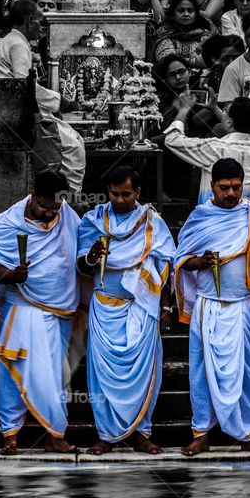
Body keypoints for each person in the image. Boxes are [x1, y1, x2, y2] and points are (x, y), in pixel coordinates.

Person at [175, 158, 250, 456]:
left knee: (249, 373)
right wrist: (202, 262)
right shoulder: (199, 217)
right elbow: (181, 260)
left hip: (244, 307)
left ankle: (248, 435)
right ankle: (201, 434)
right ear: (213, 187)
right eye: (224, 188)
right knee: (201, 373)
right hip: (208, 307)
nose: (231, 193)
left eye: (236, 187)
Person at [77, 166, 176, 455]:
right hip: (104, 310)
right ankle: (106, 435)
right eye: (114, 193)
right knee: (102, 376)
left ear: (138, 193)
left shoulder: (152, 222)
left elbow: (165, 263)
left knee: (143, 374)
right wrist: (91, 257)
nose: (120, 200)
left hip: (141, 308)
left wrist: (167, 306)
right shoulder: (93, 220)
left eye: (126, 194)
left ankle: (140, 433)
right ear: (107, 192)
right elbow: (80, 266)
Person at [0, 171, 79, 455]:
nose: (51, 214)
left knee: (53, 376)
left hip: (59, 309)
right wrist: (13, 274)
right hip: (22, 308)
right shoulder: (7, 223)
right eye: (44, 207)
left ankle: (54, 434)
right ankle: (10, 435)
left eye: (55, 209)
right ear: (32, 192)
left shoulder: (68, 216)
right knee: (14, 373)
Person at [0, 0, 85, 192]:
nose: (41, 28)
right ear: (28, 21)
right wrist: (59, 102)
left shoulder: (5, 41)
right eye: (39, 22)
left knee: (73, 139)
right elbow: (25, 88)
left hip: (4, 111)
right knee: (74, 145)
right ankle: (72, 200)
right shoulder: (17, 44)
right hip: (16, 116)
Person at [164, 97, 250, 204]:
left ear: (230, 122)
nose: (223, 113)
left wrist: (184, 109)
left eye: (225, 112)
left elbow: (172, 139)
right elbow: (237, 123)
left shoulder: (215, 148)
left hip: (214, 218)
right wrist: (215, 109)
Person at [152, 0, 216, 69]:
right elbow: (167, 61)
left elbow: (216, 60)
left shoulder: (206, 36)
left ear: (196, 15)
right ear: (173, 14)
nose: (186, 14)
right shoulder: (164, 35)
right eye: (181, 11)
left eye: (190, 11)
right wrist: (193, 62)